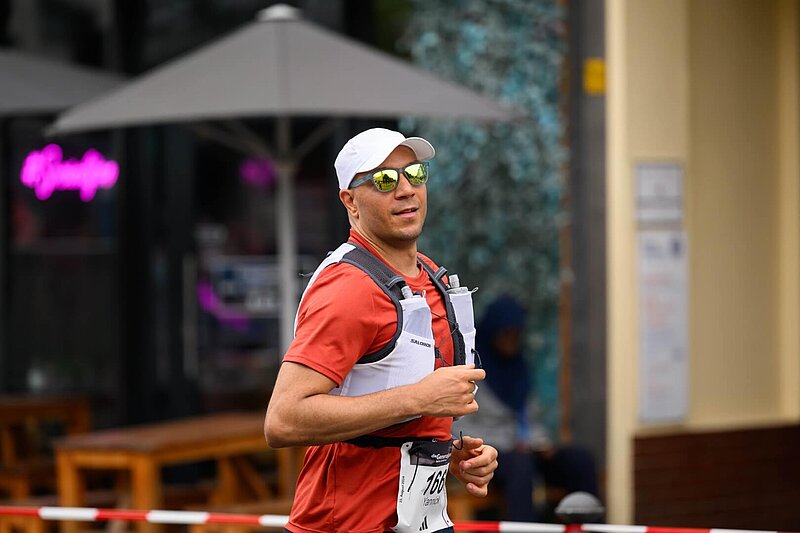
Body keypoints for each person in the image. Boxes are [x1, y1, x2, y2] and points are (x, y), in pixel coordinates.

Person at [264, 128, 498, 533]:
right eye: (385, 180)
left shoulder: (428, 276)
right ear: (350, 202)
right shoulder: (349, 289)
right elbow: (284, 420)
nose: (406, 190)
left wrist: (451, 456)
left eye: (415, 174)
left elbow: (404, 410)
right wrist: (417, 398)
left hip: (421, 523)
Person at [453, 295, 599, 522]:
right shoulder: (472, 371)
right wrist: (508, 446)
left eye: (516, 334)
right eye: (506, 334)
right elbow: (460, 429)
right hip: (493, 455)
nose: (512, 340)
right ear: (492, 332)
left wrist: (540, 443)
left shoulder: (518, 369)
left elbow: (530, 418)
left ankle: (589, 526)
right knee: (520, 468)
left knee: (580, 461)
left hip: (527, 451)